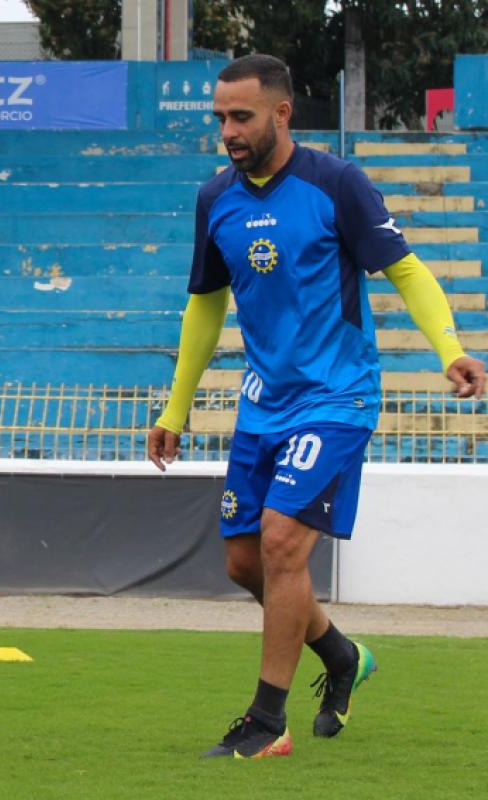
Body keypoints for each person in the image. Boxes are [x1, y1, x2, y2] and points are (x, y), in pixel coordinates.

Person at [146, 54, 485, 759]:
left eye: (241, 117)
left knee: (280, 543)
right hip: (262, 405)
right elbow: (205, 309)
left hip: (337, 397)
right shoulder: (216, 199)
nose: (229, 132)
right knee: (245, 565)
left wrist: (447, 348)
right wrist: (176, 409)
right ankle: (340, 656)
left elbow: (406, 269)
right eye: (220, 119)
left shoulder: (336, 184)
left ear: (281, 113)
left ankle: (266, 723)